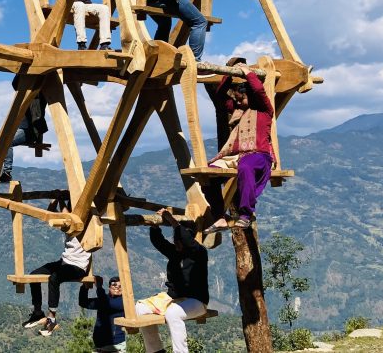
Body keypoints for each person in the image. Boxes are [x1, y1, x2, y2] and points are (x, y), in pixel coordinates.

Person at [203, 60, 275, 233]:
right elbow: (220, 95)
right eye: (237, 99)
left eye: (241, 98)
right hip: (236, 156)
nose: (239, 102)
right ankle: (219, 216)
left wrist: (247, 73)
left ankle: (245, 214)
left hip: (259, 155)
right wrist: (230, 73)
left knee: (246, 165)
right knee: (206, 175)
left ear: (249, 95)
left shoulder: (264, 110)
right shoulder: (237, 112)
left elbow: (258, 90)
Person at [135, 209, 209, 353]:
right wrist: (154, 227)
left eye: (179, 239)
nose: (176, 242)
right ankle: (156, 351)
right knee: (141, 308)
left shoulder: (199, 253)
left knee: (173, 313)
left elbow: (187, 240)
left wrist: (172, 221)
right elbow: (159, 243)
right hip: (173, 298)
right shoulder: (175, 253)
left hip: (196, 301)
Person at [22, 198, 92, 337]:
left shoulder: (85, 223)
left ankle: (52, 318)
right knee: (33, 275)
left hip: (78, 267)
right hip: (64, 262)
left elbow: (67, 215)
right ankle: (37, 312)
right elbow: (50, 214)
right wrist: (55, 200)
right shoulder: (69, 222)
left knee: (54, 278)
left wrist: (60, 199)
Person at [0, 75, 47, 182]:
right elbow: (15, 83)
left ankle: (7, 172)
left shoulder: (36, 97)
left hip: (30, 131)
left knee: (7, 141)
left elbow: (38, 111)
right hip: (19, 130)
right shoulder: (20, 98)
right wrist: (21, 73)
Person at [79, 275, 126, 352]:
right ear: (109, 287)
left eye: (120, 286)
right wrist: (85, 286)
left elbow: (107, 303)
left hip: (116, 345)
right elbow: (83, 302)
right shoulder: (103, 300)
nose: (117, 287)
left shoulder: (123, 301)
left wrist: (99, 287)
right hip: (100, 346)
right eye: (114, 285)